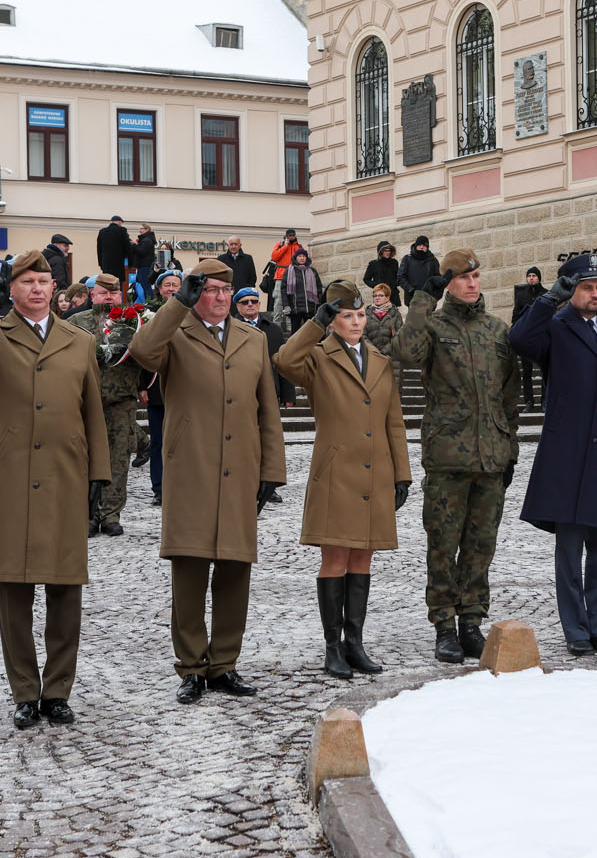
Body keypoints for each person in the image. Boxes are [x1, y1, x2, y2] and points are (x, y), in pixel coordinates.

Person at [0, 250, 110, 728]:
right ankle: (25, 692)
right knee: (13, 588)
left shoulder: (79, 340)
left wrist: (99, 474)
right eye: (27, 281)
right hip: (12, 476)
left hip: (65, 475)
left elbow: (92, 410)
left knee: (65, 587)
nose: (36, 288)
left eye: (43, 281)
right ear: (11, 288)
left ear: (55, 288)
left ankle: (58, 691)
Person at [129, 259, 286, 704]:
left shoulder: (254, 339)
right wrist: (177, 303)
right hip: (190, 468)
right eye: (209, 290)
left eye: (224, 290)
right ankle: (192, 666)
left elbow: (267, 408)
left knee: (236, 570)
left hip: (241, 468)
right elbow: (143, 352)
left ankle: (224, 664)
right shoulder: (174, 333)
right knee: (190, 570)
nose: (218, 297)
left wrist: (271, 472)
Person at [510, 253, 597, 656]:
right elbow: (519, 340)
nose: (595, 294)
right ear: (572, 291)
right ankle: (575, 629)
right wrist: (546, 300)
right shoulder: (555, 329)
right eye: (586, 287)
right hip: (568, 457)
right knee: (570, 553)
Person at [274, 281, 411, 678]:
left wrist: (401, 474)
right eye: (347, 316)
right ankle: (332, 646)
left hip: (375, 472)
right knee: (335, 558)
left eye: (360, 315)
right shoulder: (318, 358)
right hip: (336, 472)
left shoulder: (379, 360)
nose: (356, 322)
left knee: (363, 557)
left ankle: (355, 643)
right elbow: (284, 360)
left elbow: (394, 422)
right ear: (333, 320)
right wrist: (314, 326)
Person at [392, 249, 519, 663]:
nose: (472, 283)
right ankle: (444, 625)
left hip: (490, 456)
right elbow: (405, 352)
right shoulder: (432, 325)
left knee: (481, 546)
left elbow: (509, 397)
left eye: (476, 276)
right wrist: (421, 301)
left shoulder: (496, 330)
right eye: (463, 277)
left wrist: (510, 450)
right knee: (443, 545)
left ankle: (471, 622)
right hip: (448, 455)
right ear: (448, 282)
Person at [66, 274, 139, 537]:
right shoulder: (77, 322)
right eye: (103, 293)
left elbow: (146, 354)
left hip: (121, 400)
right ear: (92, 295)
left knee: (118, 460)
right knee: (84, 460)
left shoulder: (134, 321)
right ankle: (87, 515)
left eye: (113, 293)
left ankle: (111, 515)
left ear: (120, 295)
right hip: (85, 401)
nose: (108, 298)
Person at [138, 269, 181, 507]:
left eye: (176, 284)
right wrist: (142, 386)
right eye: (167, 285)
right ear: (159, 289)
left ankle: (183, 485)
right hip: (156, 387)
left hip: (185, 387)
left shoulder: (192, 312)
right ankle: (160, 487)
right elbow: (140, 352)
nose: (172, 289)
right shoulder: (147, 313)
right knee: (158, 441)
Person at [233, 285, 297, 409]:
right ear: (237, 306)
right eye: (245, 302)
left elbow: (283, 362)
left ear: (259, 304)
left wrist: (288, 394)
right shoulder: (231, 329)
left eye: (254, 301)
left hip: (269, 391)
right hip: (239, 393)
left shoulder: (274, 330)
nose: (250, 304)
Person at [512, 267, 548, 412]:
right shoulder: (521, 296)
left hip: (542, 338)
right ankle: (529, 402)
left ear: (539, 278)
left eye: (534, 275)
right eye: (529, 276)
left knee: (545, 370)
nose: (531, 278)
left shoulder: (546, 294)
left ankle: (544, 401)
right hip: (526, 339)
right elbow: (516, 316)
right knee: (526, 372)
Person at [283, 248, 323, 334]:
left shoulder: (312, 271)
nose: (302, 258)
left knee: (310, 333)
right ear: (296, 257)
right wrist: (286, 305)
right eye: (300, 256)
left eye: (304, 256)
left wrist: (319, 304)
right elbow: (283, 289)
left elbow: (319, 288)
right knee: (295, 334)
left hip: (310, 308)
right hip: (295, 309)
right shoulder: (289, 271)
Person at [397, 235, 439, 306]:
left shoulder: (433, 260)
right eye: (419, 245)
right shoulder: (407, 259)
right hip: (412, 299)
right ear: (416, 246)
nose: (421, 247)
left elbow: (438, 279)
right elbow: (400, 277)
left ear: (427, 247)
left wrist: (432, 293)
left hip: (428, 300)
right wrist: (411, 290)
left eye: (424, 245)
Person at [364, 283, 403, 361]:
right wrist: (374, 351)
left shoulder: (395, 313)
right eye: (375, 296)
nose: (377, 298)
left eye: (381, 295)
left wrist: (385, 351)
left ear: (387, 297)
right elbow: (362, 335)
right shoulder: (366, 313)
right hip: (371, 356)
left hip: (390, 356)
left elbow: (399, 336)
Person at [362, 241, 401, 306]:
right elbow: (366, 279)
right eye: (385, 251)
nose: (387, 252)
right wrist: (377, 285)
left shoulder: (394, 262)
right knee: (380, 312)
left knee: (393, 312)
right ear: (381, 251)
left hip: (393, 295)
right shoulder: (373, 264)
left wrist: (395, 284)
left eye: (389, 250)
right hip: (380, 295)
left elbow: (398, 276)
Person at [96, 215, 131, 281]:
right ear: (119, 222)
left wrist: (101, 264)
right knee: (117, 282)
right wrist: (129, 260)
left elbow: (99, 248)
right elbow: (127, 246)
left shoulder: (102, 231)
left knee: (107, 282)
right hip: (118, 262)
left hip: (106, 263)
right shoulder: (122, 230)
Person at [132, 224, 157, 293]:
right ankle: (148, 299)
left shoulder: (147, 240)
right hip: (143, 266)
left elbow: (141, 252)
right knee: (144, 285)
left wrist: (134, 245)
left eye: (142, 229)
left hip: (145, 266)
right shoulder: (146, 239)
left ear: (147, 229)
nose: (140, 230)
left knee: (146, 285)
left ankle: (150, 299)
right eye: (139, 229)